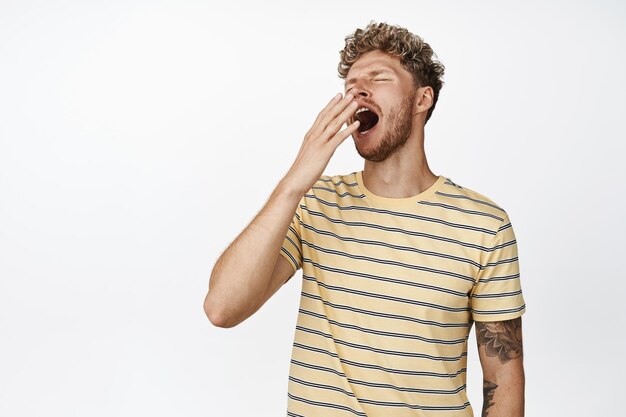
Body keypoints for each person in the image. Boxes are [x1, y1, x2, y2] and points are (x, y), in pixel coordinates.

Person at [204, 20, 526, 417]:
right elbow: (222, 308)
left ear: (422, 99)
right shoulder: (314, 203)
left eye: (378, 77)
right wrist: (293, 183)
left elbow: (504, 377)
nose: (358, 90)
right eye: (352, 84)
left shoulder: (484, 225)